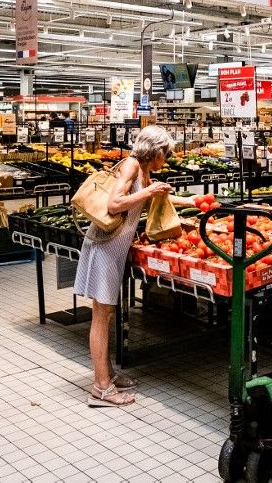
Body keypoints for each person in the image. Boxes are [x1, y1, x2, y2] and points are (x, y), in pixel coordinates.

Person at [74, 125, 195, 406]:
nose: (164, 159)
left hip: (115, 248)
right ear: (154, 151)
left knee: (107, 311)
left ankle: (108, 373)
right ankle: (101, 387)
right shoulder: (130, 165)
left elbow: (153, 196)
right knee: (101, 315)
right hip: (104, 245)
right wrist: (150, 190)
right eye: (164, 154)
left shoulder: (142, 169)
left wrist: (187, 200)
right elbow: (116, 204)